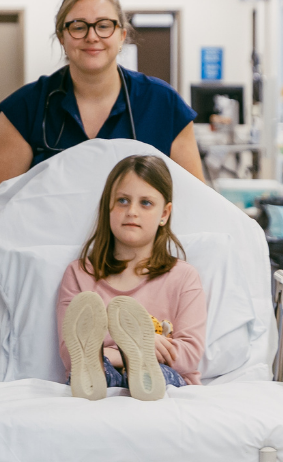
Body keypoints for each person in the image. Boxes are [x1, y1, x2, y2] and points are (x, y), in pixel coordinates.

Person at [0, 0, 207, 186]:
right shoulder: (23, 110)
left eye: (104, 26)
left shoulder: (163, 105)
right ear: (61, 38)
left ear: (122, 36)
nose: (92, 37)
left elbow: (197, 203)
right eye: (78, 27)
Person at [56, 154, 206, 402]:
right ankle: (118, 372)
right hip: (101, 383)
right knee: (91, 370)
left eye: (145, 203)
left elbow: (189, 354)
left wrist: (115, 350)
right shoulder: (80, 274)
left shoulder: (184, 277)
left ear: (165, 214)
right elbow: (71, 353)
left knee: (155, 372)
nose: (132, 212)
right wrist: (135, 348)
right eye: (123, 200)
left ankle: (140, 376)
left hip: (166, 385)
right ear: (108, 206)